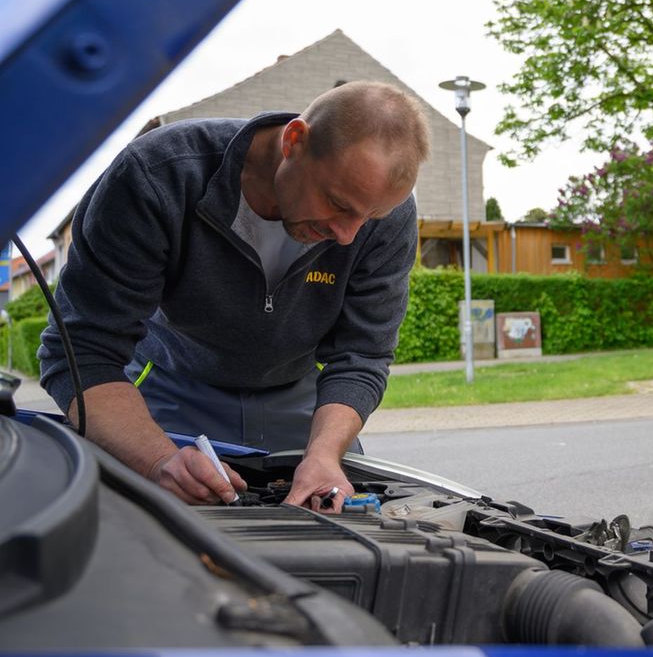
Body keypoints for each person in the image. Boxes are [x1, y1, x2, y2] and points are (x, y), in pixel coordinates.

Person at [38, 81, 429, 511]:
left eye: (369, 216)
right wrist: (158, 459)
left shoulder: (387, 219)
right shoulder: (159, 175)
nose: (347, 235)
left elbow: (362, 355)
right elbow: (81, 353)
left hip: (299, 394)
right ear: (295, 141)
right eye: (337, 203)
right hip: (170, 385)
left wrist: (323, 453)